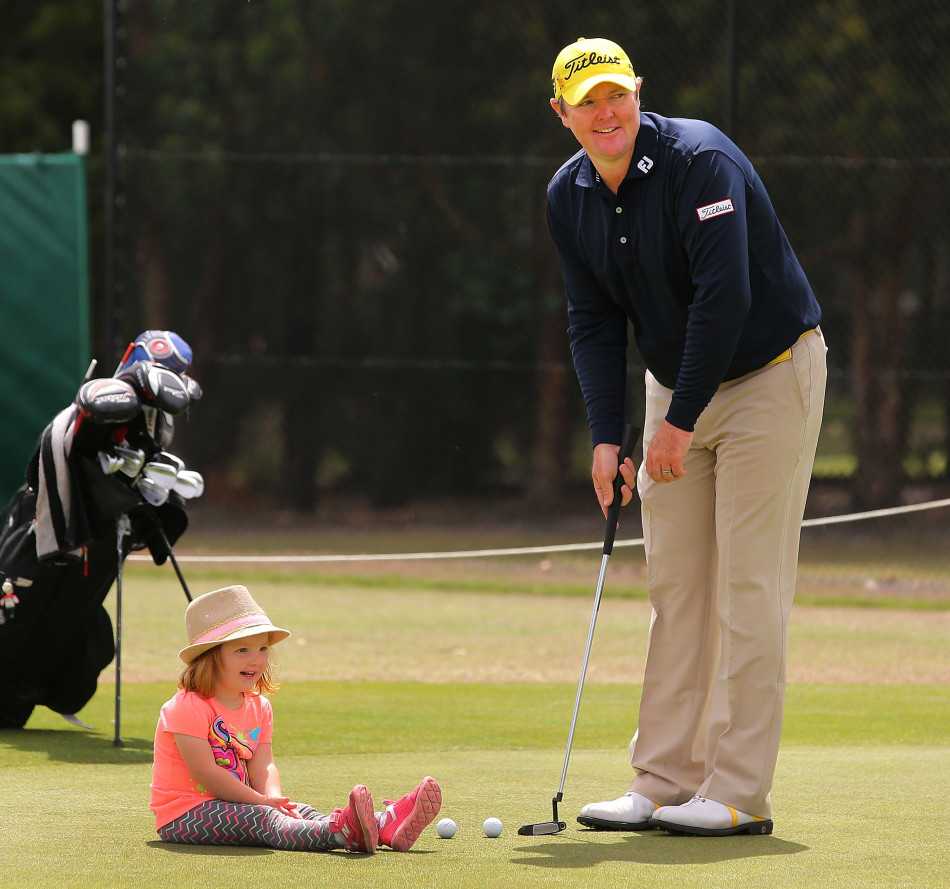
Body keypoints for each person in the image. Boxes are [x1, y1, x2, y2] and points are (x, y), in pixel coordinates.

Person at [545, 37, 826, 836]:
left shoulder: (701, 162)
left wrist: (678, 422)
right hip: (676, 387)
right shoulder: (569, 195)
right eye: (587, 101)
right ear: (561, 113)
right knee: (678, 590)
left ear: (638, 92)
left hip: (770, 373)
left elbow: (725, 297)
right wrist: (610, 435)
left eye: (616, 95)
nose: (606, 114)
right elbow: (592, 316)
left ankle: (736, 792)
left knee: (747, 588)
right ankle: (663, 780)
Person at [150, 584, 442, 852]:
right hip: (185, 814)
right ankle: (341, 834)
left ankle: (383, 825)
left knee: (297, 810)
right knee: (264, 818)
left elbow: (264, 764)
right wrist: (263, 802)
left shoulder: (259, 707)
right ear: (210, 657)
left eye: (263, 648)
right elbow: (207, 773)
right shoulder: (186, 706)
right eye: (242, 650)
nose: (256, 659)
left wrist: (275, 797)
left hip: (240, 802)